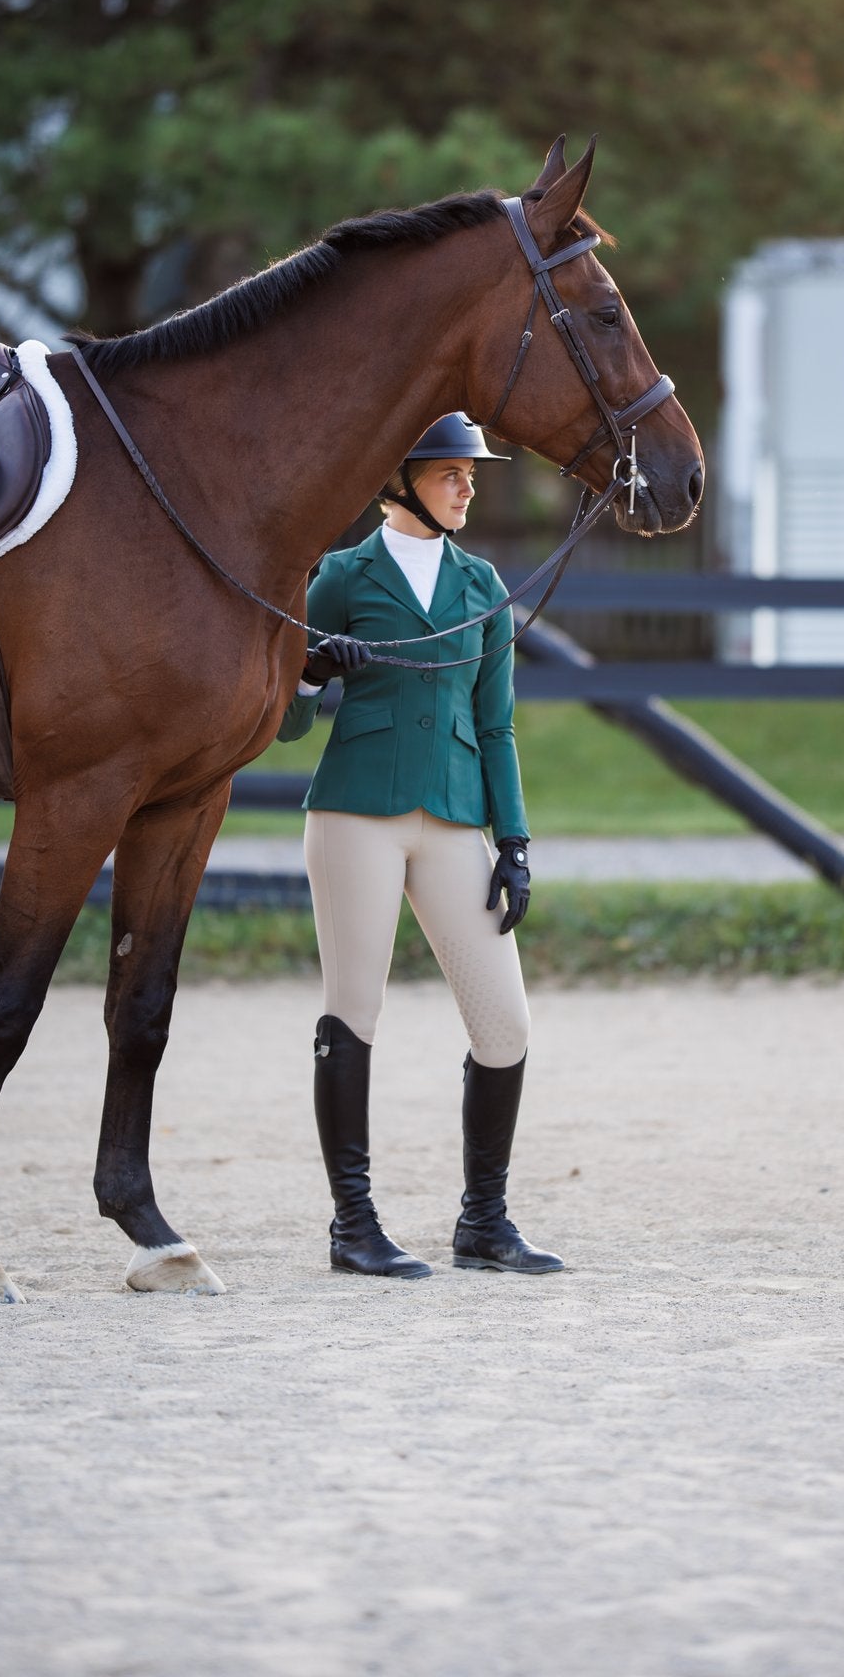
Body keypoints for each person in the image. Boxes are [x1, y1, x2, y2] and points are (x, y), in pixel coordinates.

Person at [277, 413, 562, 1280]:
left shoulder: (482, 586)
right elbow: (280, 719)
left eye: (472, 474)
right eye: (451, 473)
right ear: (398, 481)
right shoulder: (337, 577)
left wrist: (511, 840)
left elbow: (497, 724)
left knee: (505, 1023)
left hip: (454, 820)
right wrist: (312, 672)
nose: (470, 485)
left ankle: (484, 1222)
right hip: (357, 813)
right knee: (352, 1011)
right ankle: (353, 1226)